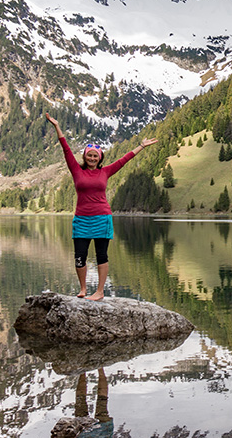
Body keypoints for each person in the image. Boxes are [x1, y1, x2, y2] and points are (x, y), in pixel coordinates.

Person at [45, 113, 157, 300]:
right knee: (79, 256)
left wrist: (141, 146)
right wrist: (57, 126)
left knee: (101, 255)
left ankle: (99, 292)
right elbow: (66, 149)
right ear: (85, 156)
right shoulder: (76, 170)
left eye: (95, 155)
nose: (92, 158)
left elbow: (124, 160)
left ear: (100, 158)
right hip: (81, 219)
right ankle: (82, 289)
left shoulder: (106, 171)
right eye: (89, 155)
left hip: (102, 218)